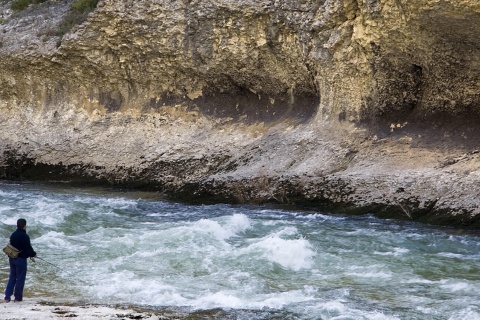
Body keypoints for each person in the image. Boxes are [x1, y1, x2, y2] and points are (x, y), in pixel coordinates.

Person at [4, 218, 37, 302]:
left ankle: (7, 297)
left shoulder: (13, 234)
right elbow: (28, 248)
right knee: (20, 278)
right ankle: (18, 297)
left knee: (12, 277)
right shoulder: (25, 236)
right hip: (21, 259)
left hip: (12, 258)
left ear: (17, 225)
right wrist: (33, 254)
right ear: (24, 226)